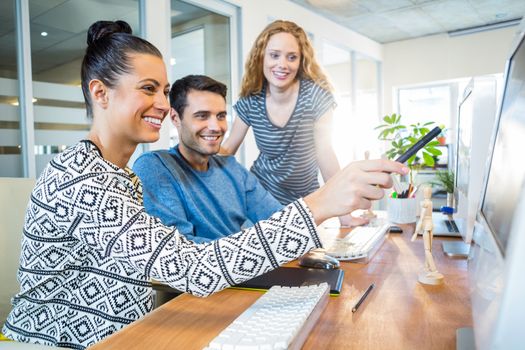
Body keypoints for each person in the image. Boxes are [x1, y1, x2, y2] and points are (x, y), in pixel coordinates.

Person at [2, 20, 407, 349]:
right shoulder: (84, 176)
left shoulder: (117, 173)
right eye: (148, 89)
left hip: (124, 336)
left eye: (163, 90)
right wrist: (320, 203)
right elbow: (190, 267)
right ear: (100, 93)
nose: (163, 103)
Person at [221, 20, 357, 226]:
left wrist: (345, 216)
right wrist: (193, 169)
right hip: (260, 195)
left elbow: (325, 154)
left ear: (301, 61)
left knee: (305, 256)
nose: (282, 64)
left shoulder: (315, 97)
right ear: (261, 57)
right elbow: (228, 148)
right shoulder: (251, 99)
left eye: (291, 57)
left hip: (306, 200)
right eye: (274, 55)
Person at [133, 75, 283, 243]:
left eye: (220, 116)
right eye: (202, 116)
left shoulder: (232, 169)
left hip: (244, 266)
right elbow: (178, 249)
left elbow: (282, 222)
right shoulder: (155, 166)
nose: (215, 127)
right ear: (175, 118)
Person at [411, 185, 444, 285]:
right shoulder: (430, 202)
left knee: (427, 250)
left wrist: (416, 233)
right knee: (429, 249)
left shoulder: (425, 203)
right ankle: (427, 267)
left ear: (425, 194)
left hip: (426, 227)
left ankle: (433, 270)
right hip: (431, 226)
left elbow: (421, 219)